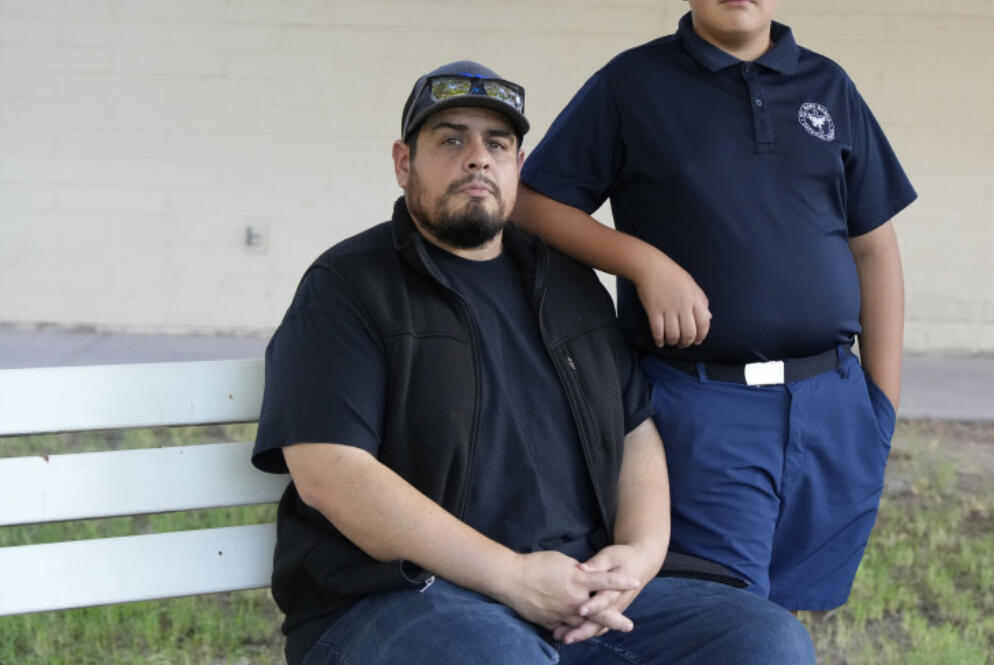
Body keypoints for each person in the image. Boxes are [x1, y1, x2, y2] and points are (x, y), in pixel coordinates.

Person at [251, 61, 817, 665]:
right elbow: (329, 471)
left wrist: (640, 555)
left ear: (518, 167)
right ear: (402, 162)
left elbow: (633, 429)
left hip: (577, 588)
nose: (477, 158)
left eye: (497, 143)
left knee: (766, 642)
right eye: (451, 139)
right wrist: (513, 577)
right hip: (405, 597)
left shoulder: (566, 282)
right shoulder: (349, 286)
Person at [513, 0, 917, 613]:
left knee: (794, 614)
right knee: (722, 615)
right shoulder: (633, 86)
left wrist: (880, 403)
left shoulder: (828, 89)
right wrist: (640, 260)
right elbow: (532, 202)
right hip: (701, 404)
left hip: (832, 404)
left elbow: (875, 249)